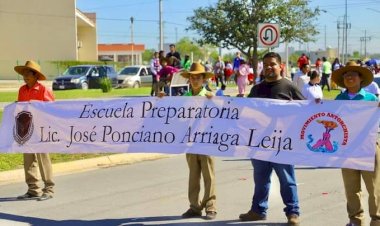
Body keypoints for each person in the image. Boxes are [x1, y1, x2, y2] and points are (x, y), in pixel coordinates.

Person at [239, 52, 303, 225]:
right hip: (259, 144)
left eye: (272, 64)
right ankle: (258, 210)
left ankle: (293, 212)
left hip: (282, 144)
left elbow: (305, 110)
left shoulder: (289, 87)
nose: (269, 67)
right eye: (266, 64)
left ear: (280, 66)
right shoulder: (257, 89)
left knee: (287, 180)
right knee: (261, 180)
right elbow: (247, 113)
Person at [331, 61, 380, 226]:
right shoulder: (339, 99)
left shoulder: (372, 99)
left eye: (353, 74)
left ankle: (377, 220)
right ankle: (356, 220)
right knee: (351, 188)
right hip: (347, 149)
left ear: (360, 78)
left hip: (368, 147)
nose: (349, 77)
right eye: (346, 74)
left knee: (374, 188)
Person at [166, 62, 217, 220]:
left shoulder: (211, 96)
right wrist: (161, 100)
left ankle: (210, 207)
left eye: (198, 77)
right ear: (189, 80)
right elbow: (174, 116)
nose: (195, 80)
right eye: (192, 77)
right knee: (193, 175)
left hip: (207, 141)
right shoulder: (184, 98)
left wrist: (214, 100)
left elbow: (223, 113)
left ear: (203, 80)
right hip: (190, 141)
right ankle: (194, 207)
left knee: (208, 175)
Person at [14, 60, 55, 201]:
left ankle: (49, 189)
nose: (25, 77)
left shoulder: (43, 90)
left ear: (35, 75)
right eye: (24, 74)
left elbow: (51, 109)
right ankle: (33, 190)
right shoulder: (22, 90)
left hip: (41, 128)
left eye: (28, 74)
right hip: (26, 129)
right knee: (28, 159)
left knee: (43, 159)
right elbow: (20, 108)